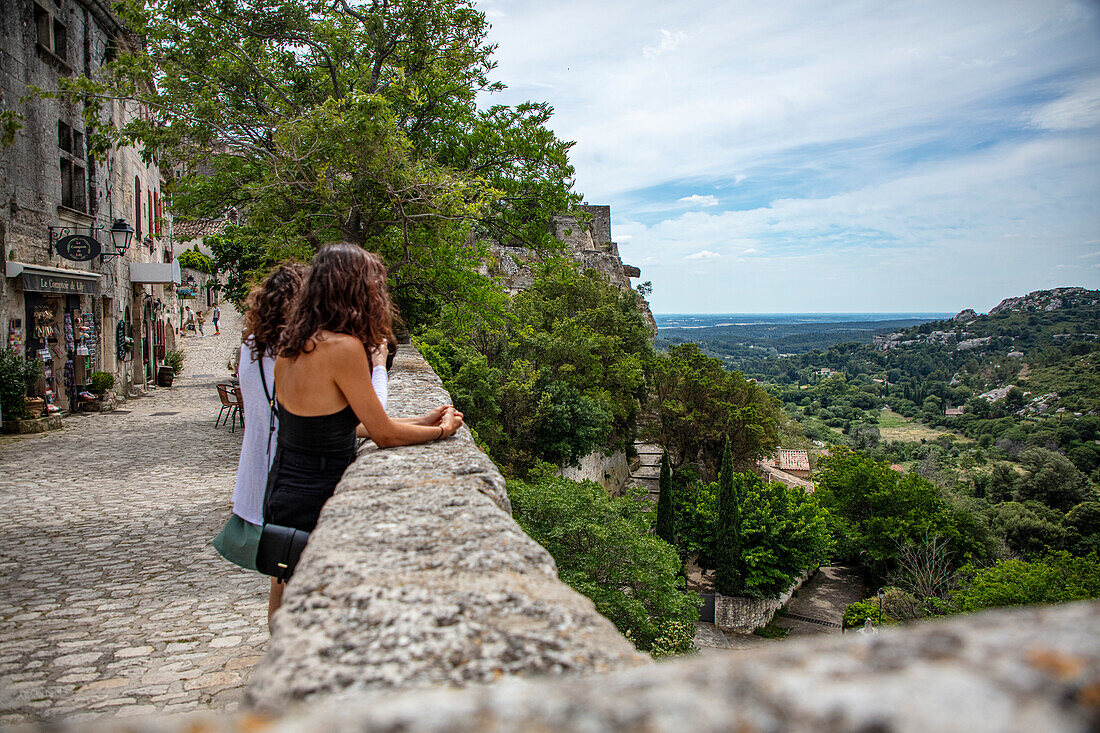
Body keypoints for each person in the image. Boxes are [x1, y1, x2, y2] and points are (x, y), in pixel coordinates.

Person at [264, 243, 463, 623]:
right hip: (319, 490)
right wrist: (442, 431)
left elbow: (333, 426)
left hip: (285, 484)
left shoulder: (292, 344)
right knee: (319, 600)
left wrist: (421, 420)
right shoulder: (342, 348)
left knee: (284, 583)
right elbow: (382, 434)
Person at [212, 264, 308, 578]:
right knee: (294, 577)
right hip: (288, 479)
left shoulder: (251, 345)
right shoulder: (295, 350)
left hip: (254, 478)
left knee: (281, 577)